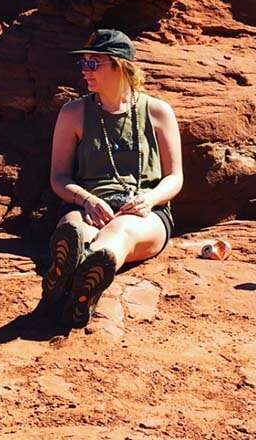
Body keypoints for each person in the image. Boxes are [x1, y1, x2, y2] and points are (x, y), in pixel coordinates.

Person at [43, 29, 183, 328]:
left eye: (94, 64)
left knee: (120, 232)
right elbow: (58, 177)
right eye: (83, 63)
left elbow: (175, 177)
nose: (85, 71)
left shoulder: (158, 112)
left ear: (121, 66)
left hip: (145, 211)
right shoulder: (73, 113)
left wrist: (150, 199)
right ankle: (78, 282)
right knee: (74, 230)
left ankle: (79, 280)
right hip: (88, 205)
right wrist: (87, 199)